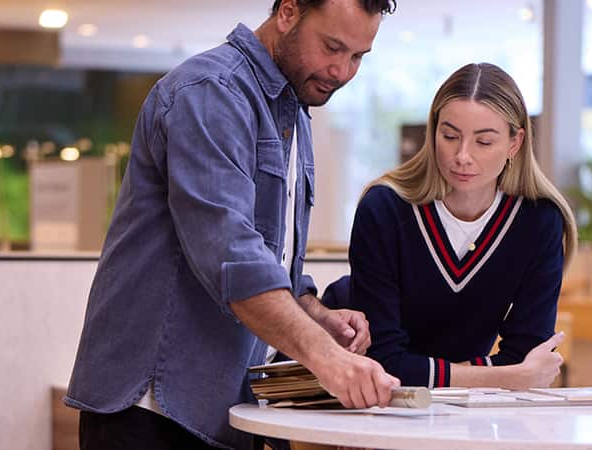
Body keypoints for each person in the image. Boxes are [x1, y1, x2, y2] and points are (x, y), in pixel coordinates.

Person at [64, 1, 399, 449]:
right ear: (289, 12)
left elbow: (271, 258)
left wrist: (316, 316)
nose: (341, 71)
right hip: (151, 410)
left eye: (358, 57)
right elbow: (232, 257)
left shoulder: (293, 108)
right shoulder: (210, 93)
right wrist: (327, 360)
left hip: (217, 408)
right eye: (332, 47)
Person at [326, 62, 577, 390]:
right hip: (342, 388)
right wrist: (502, 376)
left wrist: (439, 374)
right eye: (449, 136)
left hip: (452, 408)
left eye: (483, 142)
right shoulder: (384, 210)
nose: (462, 155)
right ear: (433, 132)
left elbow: (528, 356)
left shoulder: (539, 221)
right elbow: (384, 362)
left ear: (515, 143)